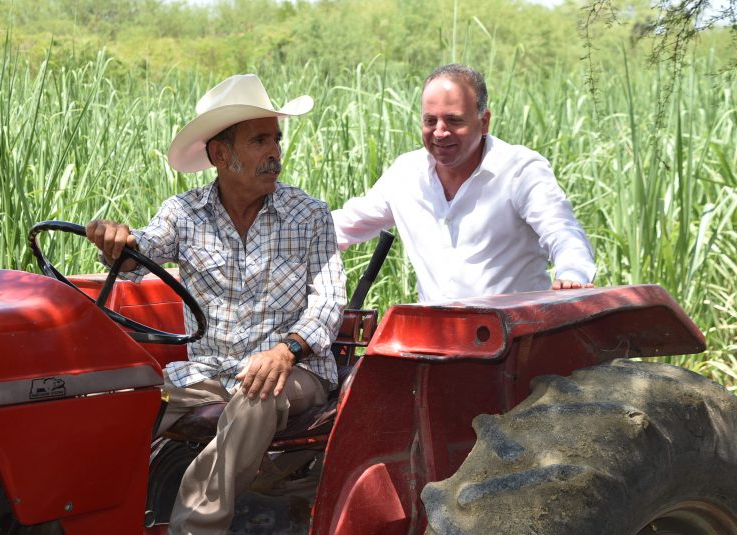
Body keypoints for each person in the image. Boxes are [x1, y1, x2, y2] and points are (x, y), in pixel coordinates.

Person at [85, 74, 346, 535]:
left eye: (276, 139)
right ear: (220, 155)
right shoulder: (184, 215)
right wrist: (116, 241)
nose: (275, 153)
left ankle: (194, 528)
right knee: (118, 403)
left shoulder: (310, 215)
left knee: (256, 392)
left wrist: (286, 350)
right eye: (260, 140)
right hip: (209, 373)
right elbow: (138, 253)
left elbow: (328, 302)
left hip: (293, 370)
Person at [331, 64, 596, 302]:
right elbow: (343, 225)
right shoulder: (405, 174)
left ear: (484, 123)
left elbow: (563, 232)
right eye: (430, 120)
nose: (440, 131)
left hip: (515, 341)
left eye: (454, 120)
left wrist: (572, 274)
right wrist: (293, 229)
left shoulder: (520, 170)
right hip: (435, 342)